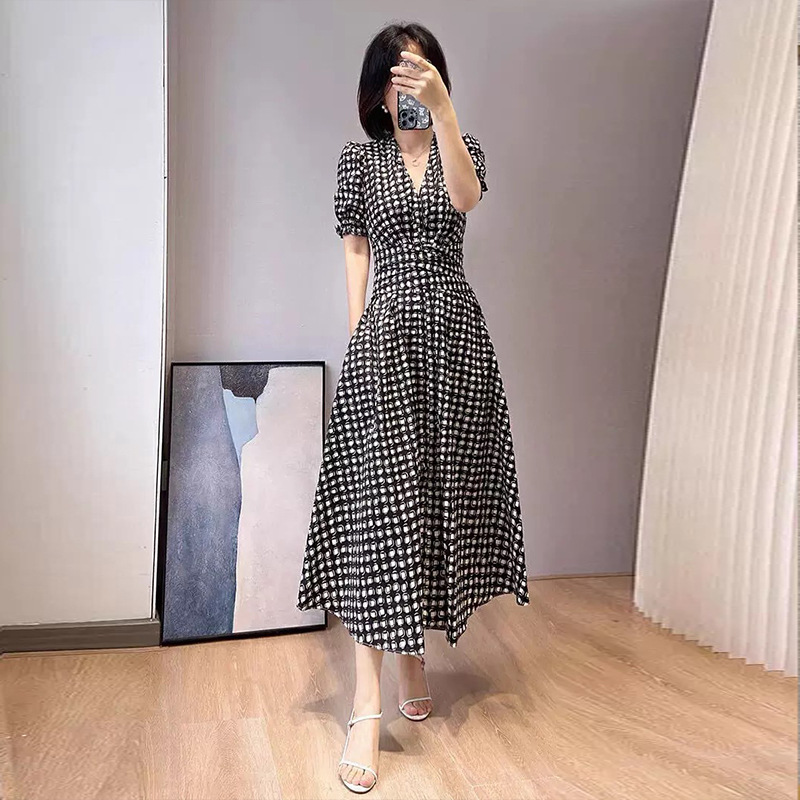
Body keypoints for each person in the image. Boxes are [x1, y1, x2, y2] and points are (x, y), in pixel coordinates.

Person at [296, 21, 530, 794]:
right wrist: (357, 344)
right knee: (380, 511)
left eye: (422, 72)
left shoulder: (464, 148)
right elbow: (356, 253)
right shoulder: (358, 161)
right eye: (397, 75)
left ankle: (412, 659)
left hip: (456, 340)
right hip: (386, 342)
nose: (410, 87)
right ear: (375, 90)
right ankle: (367, 706)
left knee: (431, 504)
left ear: (438, 78)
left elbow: (466, 199)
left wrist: (447, 113)